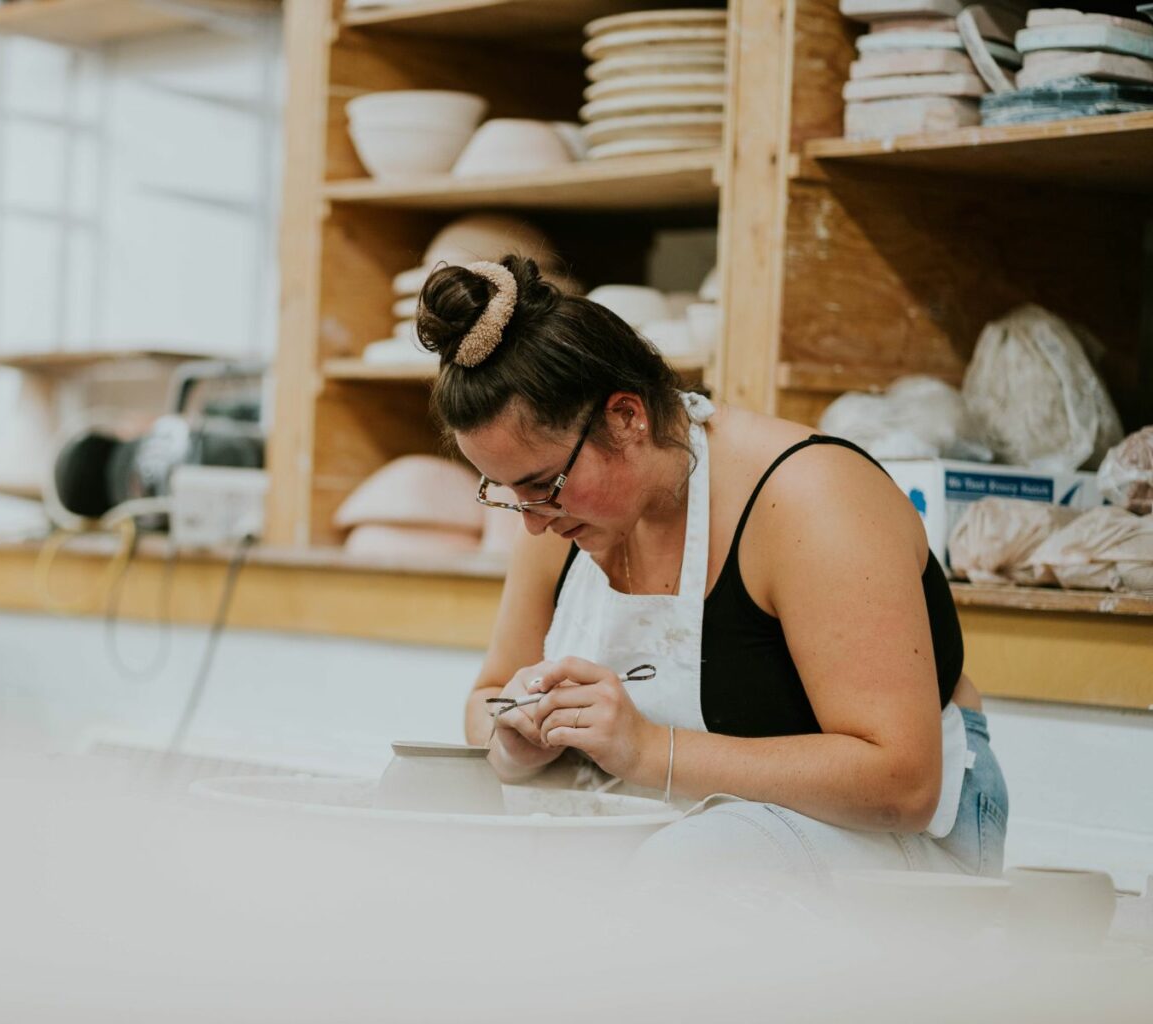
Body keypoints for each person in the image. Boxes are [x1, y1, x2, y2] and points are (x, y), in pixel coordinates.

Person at [417, 255, 1008, 879]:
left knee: (684, 874)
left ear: (626, 418)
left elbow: (902, 783)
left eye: (541, 485)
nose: (532, 521)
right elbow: (487, 695)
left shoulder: (811, 500)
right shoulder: (557, 510)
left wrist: (650, 751)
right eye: (507, 493)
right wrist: (511, 735)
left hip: (890, 836)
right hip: (677, 822)